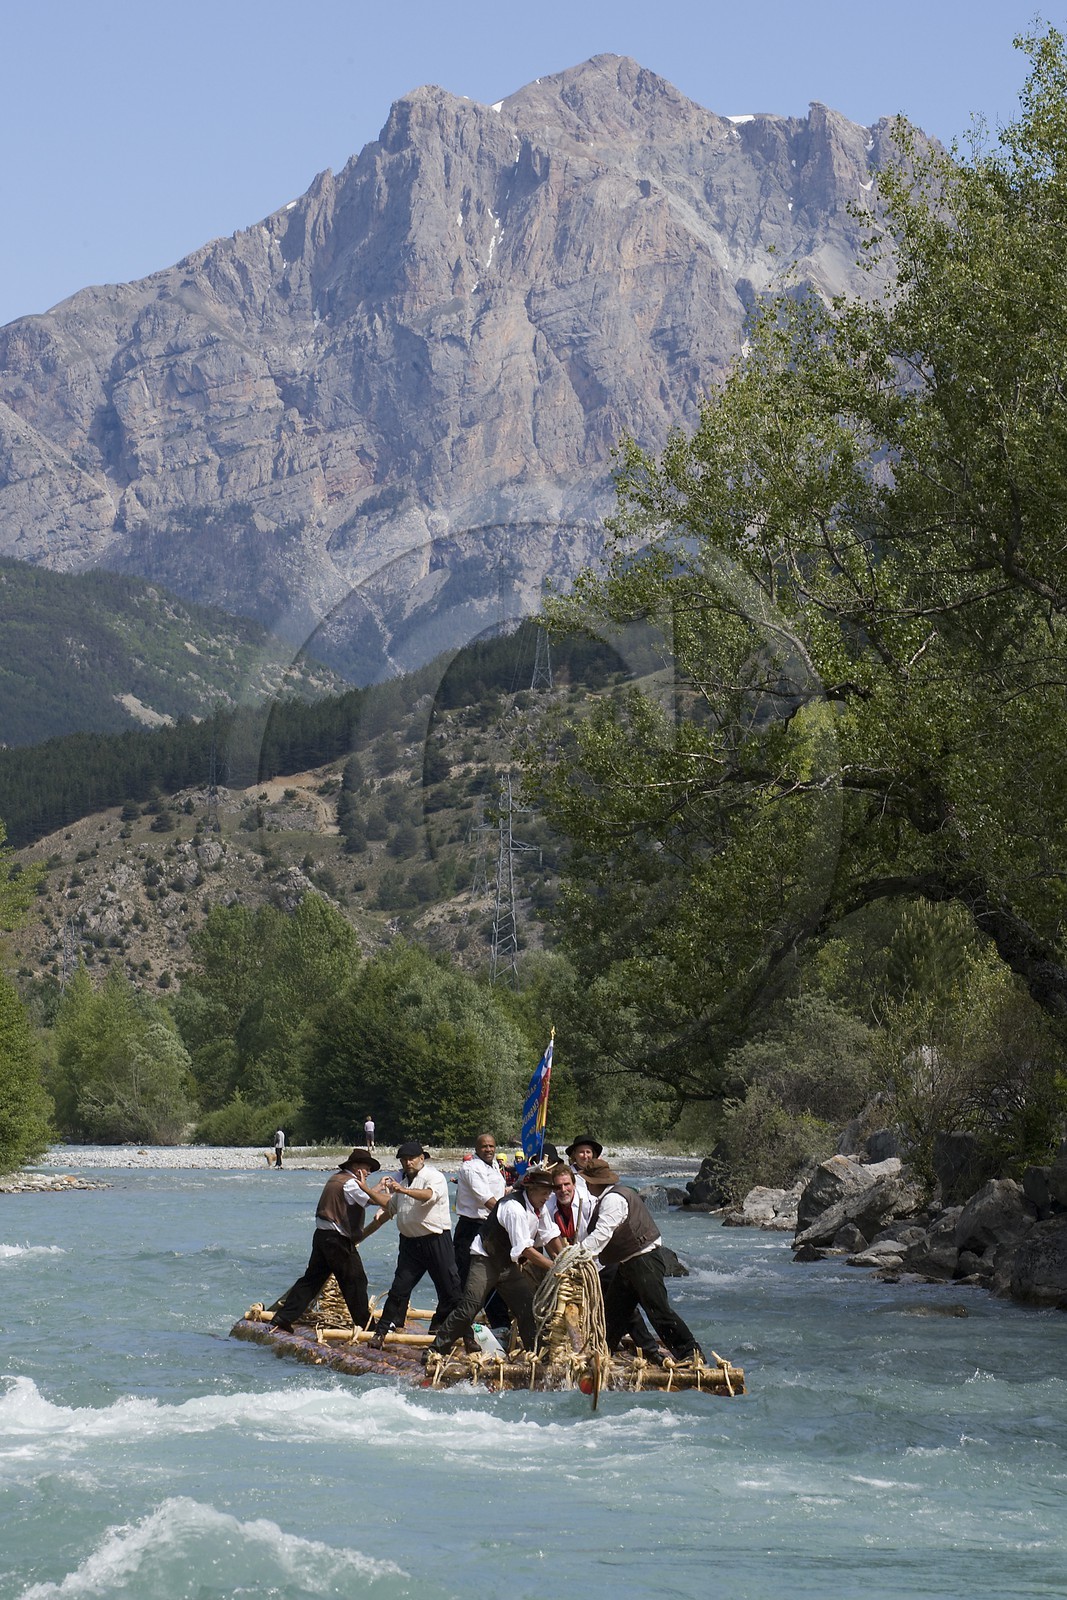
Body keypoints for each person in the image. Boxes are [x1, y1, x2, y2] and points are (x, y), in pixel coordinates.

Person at [580, 1157, 703, 1363]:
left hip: (642, 1260)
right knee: (615, 1312)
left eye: (586, 1181)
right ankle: (601, 1354)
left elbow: (602, 1234)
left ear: (593, 1182)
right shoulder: (615, 1195)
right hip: (629, 1262)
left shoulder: (613, 1199)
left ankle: (691, 1353)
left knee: (659, 1311)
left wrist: (577, 1254)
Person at [427, 1168, 555, 1357]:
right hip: (485, 1259)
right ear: (531, 1189)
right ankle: (435, 1350)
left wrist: (566, 1257)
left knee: (527, 1307)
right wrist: (555, 1267)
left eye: (549, 1193)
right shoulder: (514, 1208)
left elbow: (550, 1234)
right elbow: (524, 1249)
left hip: (506, 1264)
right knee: (469, 1307)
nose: (547, 1197)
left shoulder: (539, 1208)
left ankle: (537, 1354)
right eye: (545, 1192)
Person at [272, 1148, 389, 1333]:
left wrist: (378, 1188)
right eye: (367, 1168)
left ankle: (283, 1316)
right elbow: (374, 1201)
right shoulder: (350, 1184)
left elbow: (364, 1198)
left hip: (322, 1237)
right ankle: (366, 1326)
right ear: (356, 1167)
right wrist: (393, 1197)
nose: (368, 1173)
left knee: (311, 1280)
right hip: (337, 1241)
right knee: (356, 1281)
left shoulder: (338, 1179)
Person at [369, 1142, 461, 1342]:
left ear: (422, 1158)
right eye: (404, 1160)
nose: (408, 1162)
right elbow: (389, 1205)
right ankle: (380, 1333)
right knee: (398, 1290)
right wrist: (365, 1189)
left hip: (435, 1240)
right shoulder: (403, 1180)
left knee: (450, 1290)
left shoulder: (433, 1177)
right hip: (410, 1244)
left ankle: (465, 1335)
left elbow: (427, 1195)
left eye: (412, 1158)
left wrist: (402, 1190)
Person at [453, 1133, 507, 1284]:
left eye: (491, 1146)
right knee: (466, 1276)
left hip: (491, 1226)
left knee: (492, 1275)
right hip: (472, 1228)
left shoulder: (494, 1165)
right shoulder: (472, 1168)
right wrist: (509, 1218)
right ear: (476, 1148)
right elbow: (486, 1200)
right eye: (484, 1146)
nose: (488, 1149)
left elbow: (499, 1192)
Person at [564, 1134, 603, 1199]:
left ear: (593, 1154)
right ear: (574, 1154)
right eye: (581, 1152)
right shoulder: (567, 1174)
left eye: (588, 1152)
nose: (585, 1156)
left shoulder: (600, 1174)